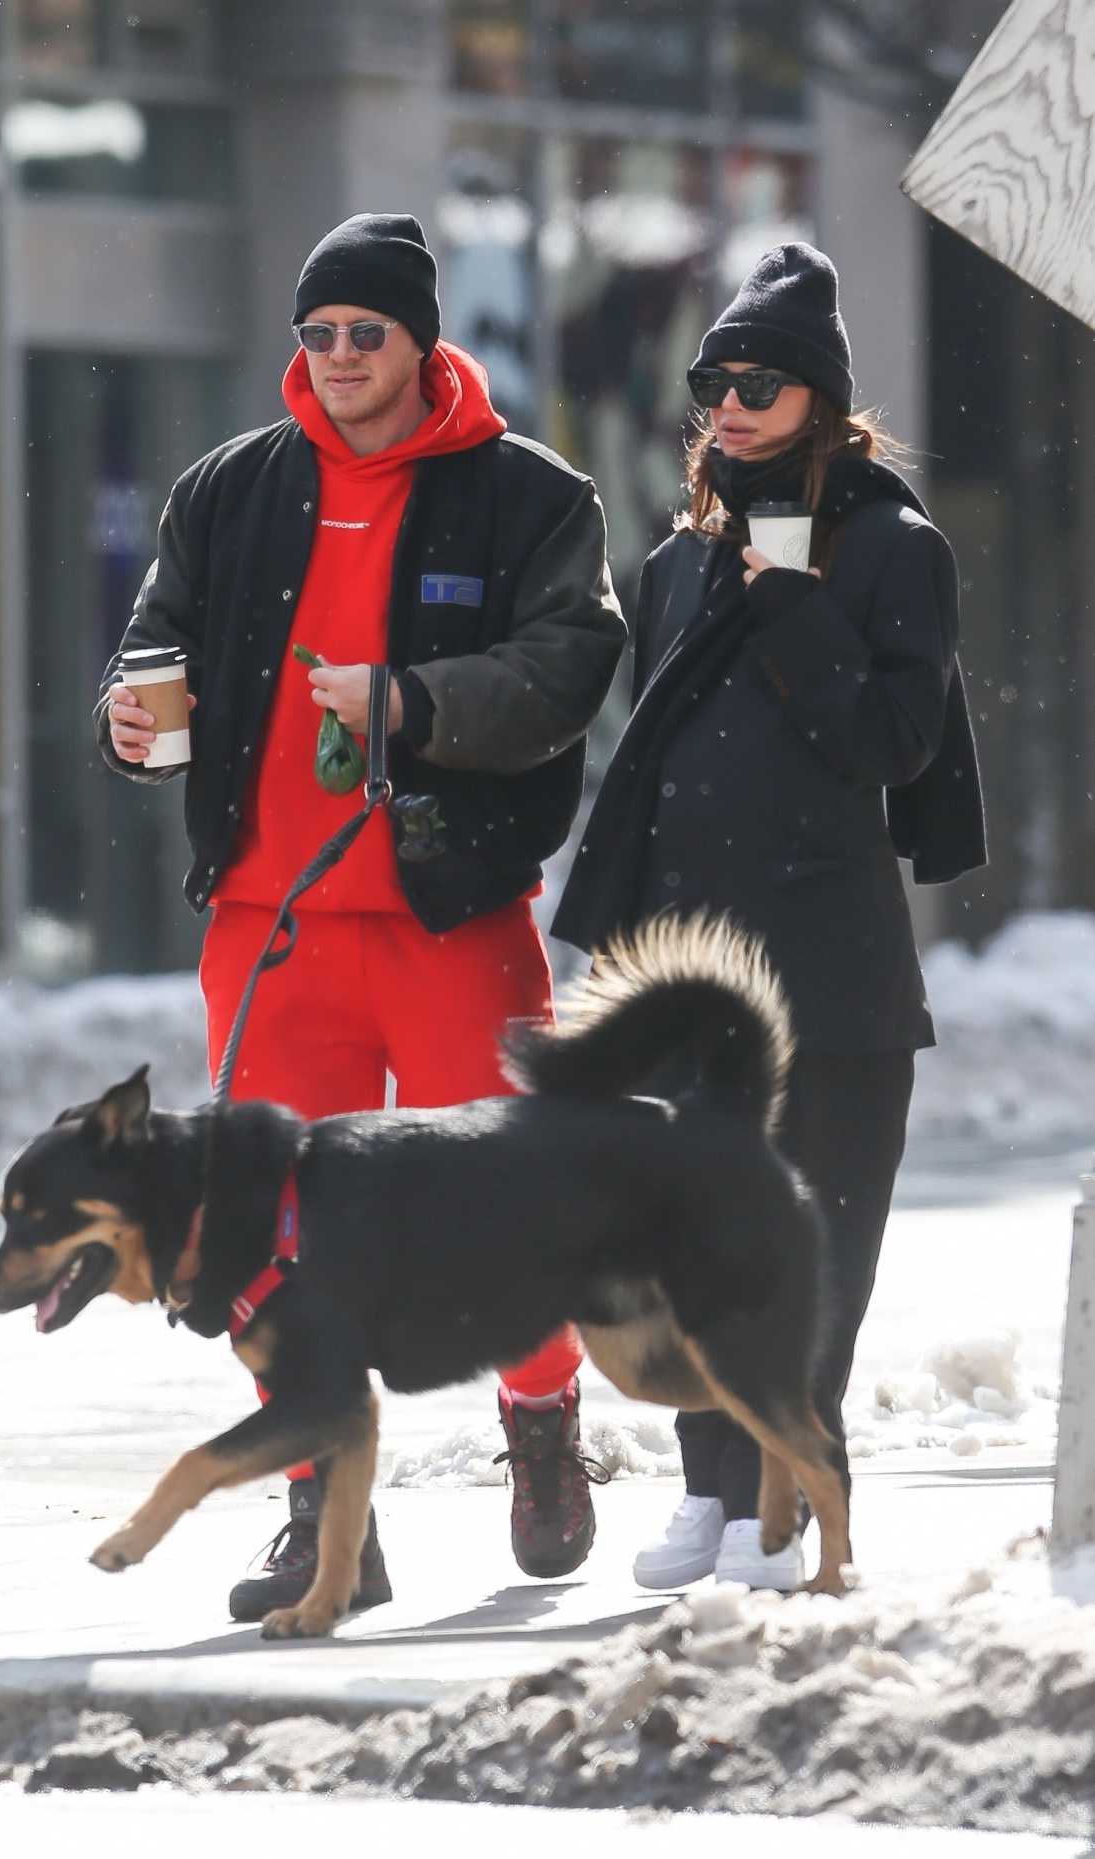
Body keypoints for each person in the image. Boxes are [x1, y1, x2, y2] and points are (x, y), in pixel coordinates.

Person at [95, 212, 625, 1620]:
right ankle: (326, 1524)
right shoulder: (226, 488)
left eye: (364, 334)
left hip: (453, 911)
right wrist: (138, 712)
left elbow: (571, 662)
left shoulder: (528, 494)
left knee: (509, 1203)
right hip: (271, 925)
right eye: (316, 333)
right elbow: (156, 634)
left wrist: (414, 703)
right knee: (275, 1243)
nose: (336, 358)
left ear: (418, 342)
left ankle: (542, 1425)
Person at [553, 242, 985, 1592]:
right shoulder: (681, 557)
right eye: (713, 384)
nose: (730, 406)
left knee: (810, 1251)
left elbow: (895, 744)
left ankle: (786, 1500)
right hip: (689, 975)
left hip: (829, 976)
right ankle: (707, 1489)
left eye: (760, 384)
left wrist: (796, 615)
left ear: (820, 399)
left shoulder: (892, 548)